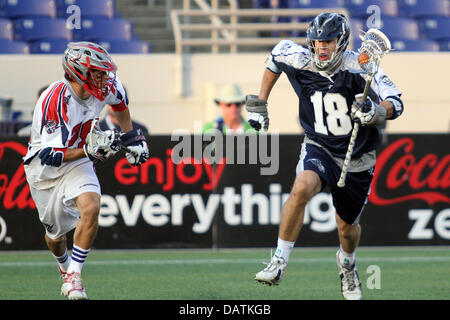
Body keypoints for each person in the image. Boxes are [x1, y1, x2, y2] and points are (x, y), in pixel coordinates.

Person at [248, 13, 404, 300]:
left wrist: (375, 113)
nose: (321, 47)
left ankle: (347, 265)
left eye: (328, 41)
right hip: (318, 145)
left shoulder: (361, 66)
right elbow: (274, 59)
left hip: (357, 156)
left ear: (341, 42)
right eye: (317, 41)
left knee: (346, 229)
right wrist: (260, 103)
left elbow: (395, 101)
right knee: (301, 187)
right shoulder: (297, 57)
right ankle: (279, 261)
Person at [23, 42, 149, 300]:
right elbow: (51, 155)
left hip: (78, 160)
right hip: (44, 169)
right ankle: (64, 268)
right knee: (55, 237)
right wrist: (90, 151)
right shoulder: (54, 100)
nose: (105, 78)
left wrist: (131, 139)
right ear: (79, 71)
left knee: (91, 206)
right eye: (98, 72)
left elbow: (121, 104)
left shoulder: (108, 85)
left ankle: (75, 276)